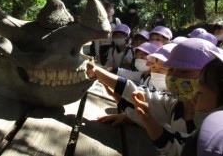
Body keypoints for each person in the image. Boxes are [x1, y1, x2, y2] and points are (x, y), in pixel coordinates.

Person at [86, 38, 219, 156]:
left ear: (207, 76)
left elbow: (180, 149)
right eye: (171, 70)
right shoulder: (176, 105)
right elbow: (137, 91)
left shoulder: (215, 125)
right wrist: (97, 72)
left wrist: (148, 121)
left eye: (185, 71)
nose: (174, 77)